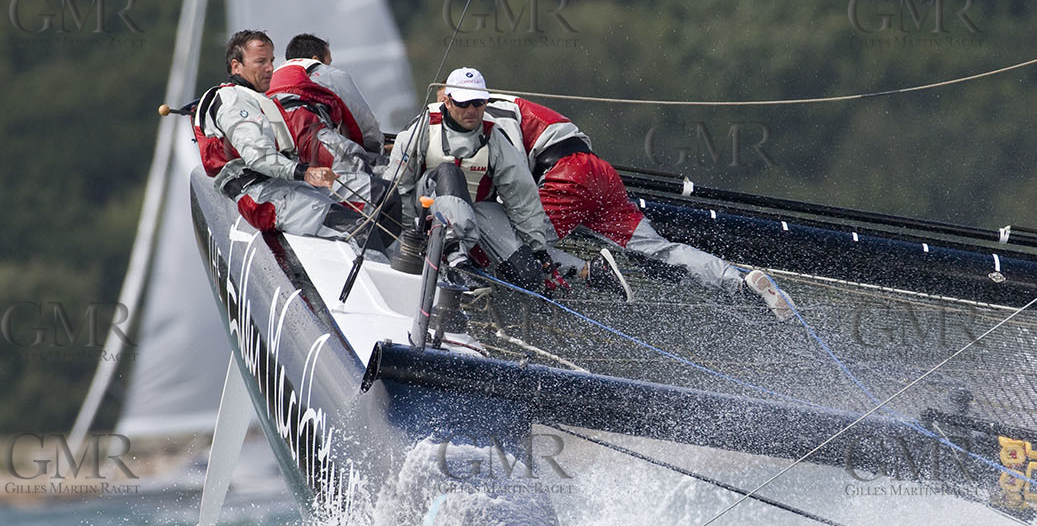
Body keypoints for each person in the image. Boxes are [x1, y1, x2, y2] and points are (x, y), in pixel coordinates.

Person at [485, 88, 795, 320]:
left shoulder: (489, 111)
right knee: (659, 251)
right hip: (598, 173)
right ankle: (740, 284)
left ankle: (590, 272)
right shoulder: (507, 107)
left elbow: (511, 171)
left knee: (506, 241)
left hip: (565, 175)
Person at [194, 30, 395, 251]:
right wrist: (305, 172)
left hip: (293, 183)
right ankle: (375, 274)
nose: (270, 68)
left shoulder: (257, 99)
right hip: (262, 195)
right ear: (236, 66)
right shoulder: (231, 99)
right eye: (260, 62)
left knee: (387, 197)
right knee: (360, 230)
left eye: (271, 60)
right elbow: (258, 156)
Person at [387, 67, 568, 293]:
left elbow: (521, 196)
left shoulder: (495, 137)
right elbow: (396, 188)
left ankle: (490, 291)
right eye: (463, 103)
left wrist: (538, 248)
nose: (471, 110)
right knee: (449, 172)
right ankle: (456, 261)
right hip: (425, 214)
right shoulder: (422, 128)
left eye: (478, 102)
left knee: (528, 277)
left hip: (476, 213)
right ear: (448, 102)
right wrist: (408, 238)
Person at [280, 33, 384, 165]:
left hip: (288, 164)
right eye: (329, 63)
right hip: (320, 153)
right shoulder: (328, 74)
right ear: (316, 59)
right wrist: (379, 148)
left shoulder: (271, 81)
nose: (329, 67)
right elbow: (364, 124)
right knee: (385, 173)